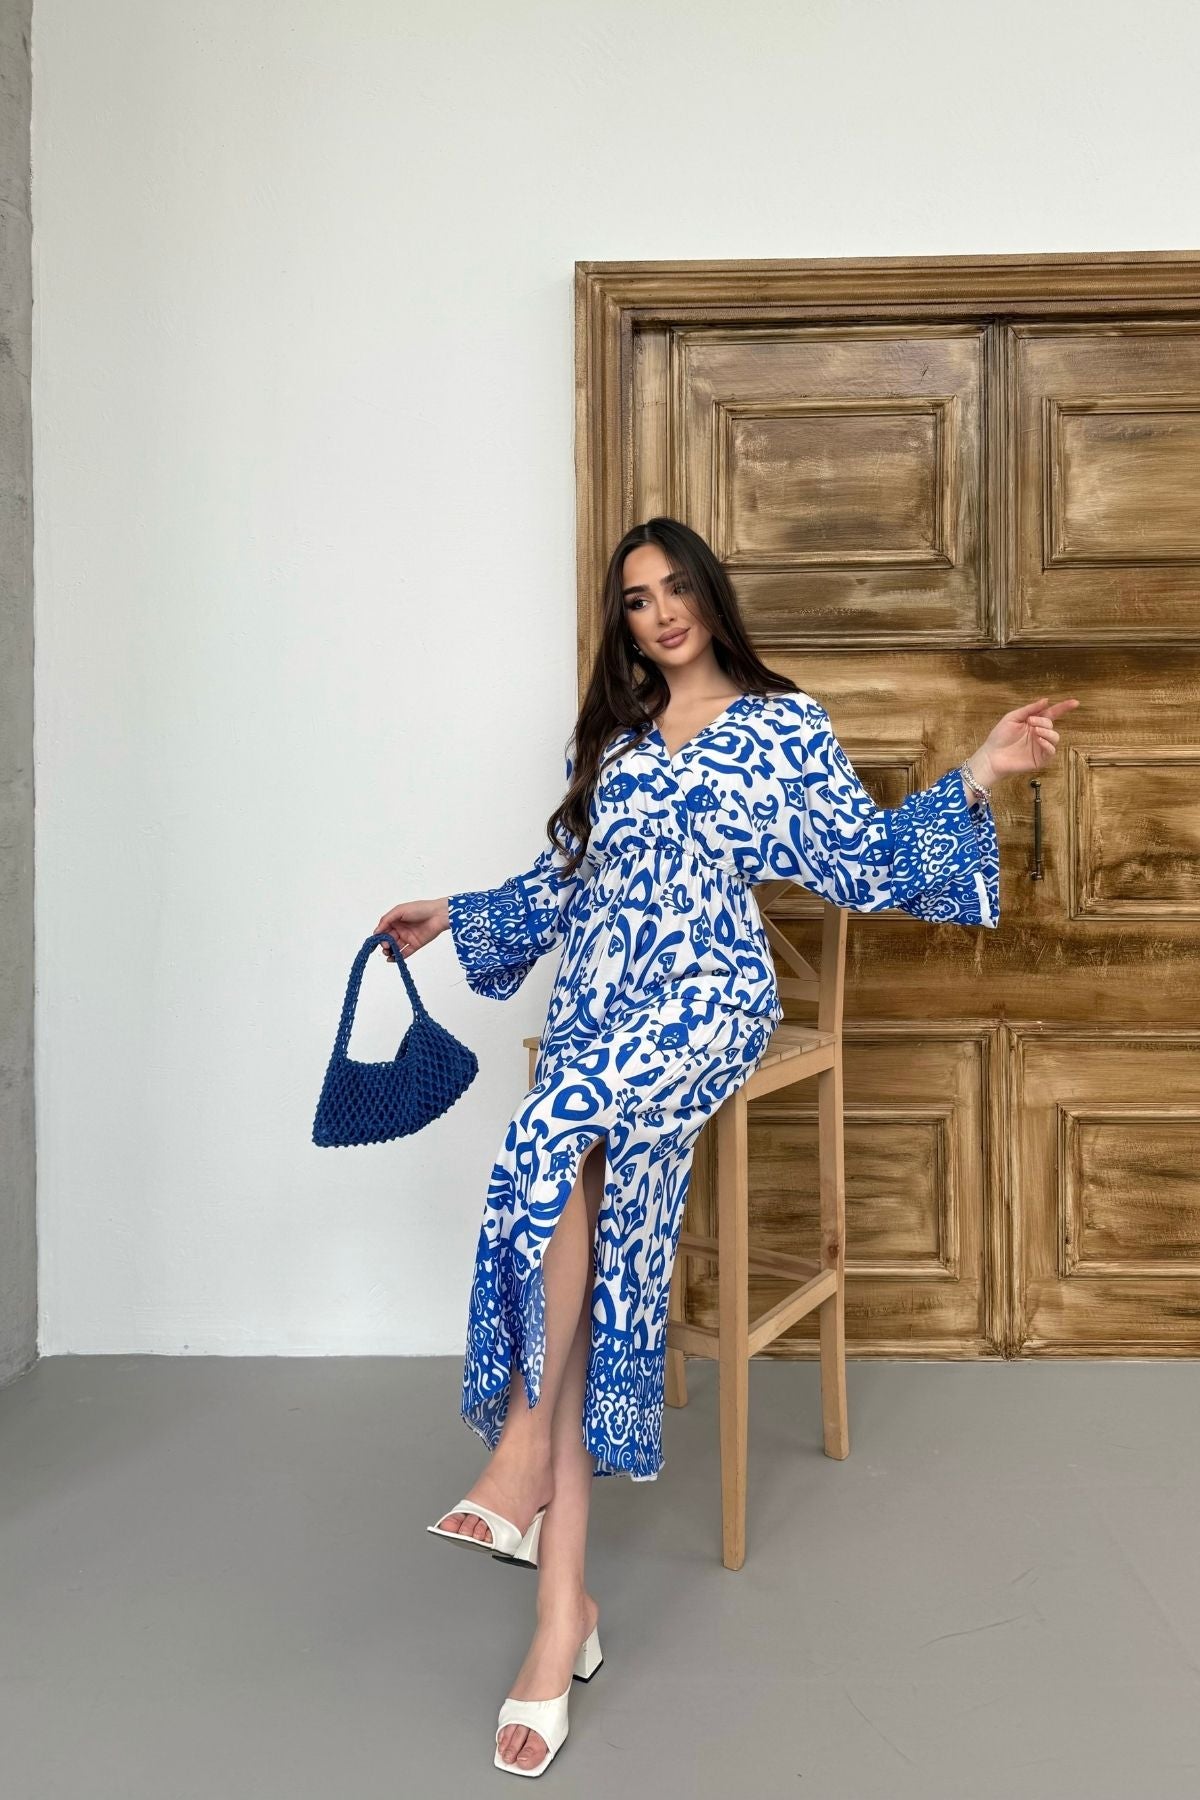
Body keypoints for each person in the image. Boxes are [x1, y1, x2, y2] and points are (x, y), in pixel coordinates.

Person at [374, 516, 1079, 1776]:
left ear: (708, 593)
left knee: (562, 1139)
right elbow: (566, 882)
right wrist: (458, 912)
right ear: (625, 621)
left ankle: (522, 1458)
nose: (659, 614)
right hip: (598, 1003)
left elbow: (864, 860)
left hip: (707, 999)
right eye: (636, 600)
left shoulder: (781, 726)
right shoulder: (616, 738)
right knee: (566, 1180)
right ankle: (560, 1611)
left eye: (674, 589)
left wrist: (982, 767)